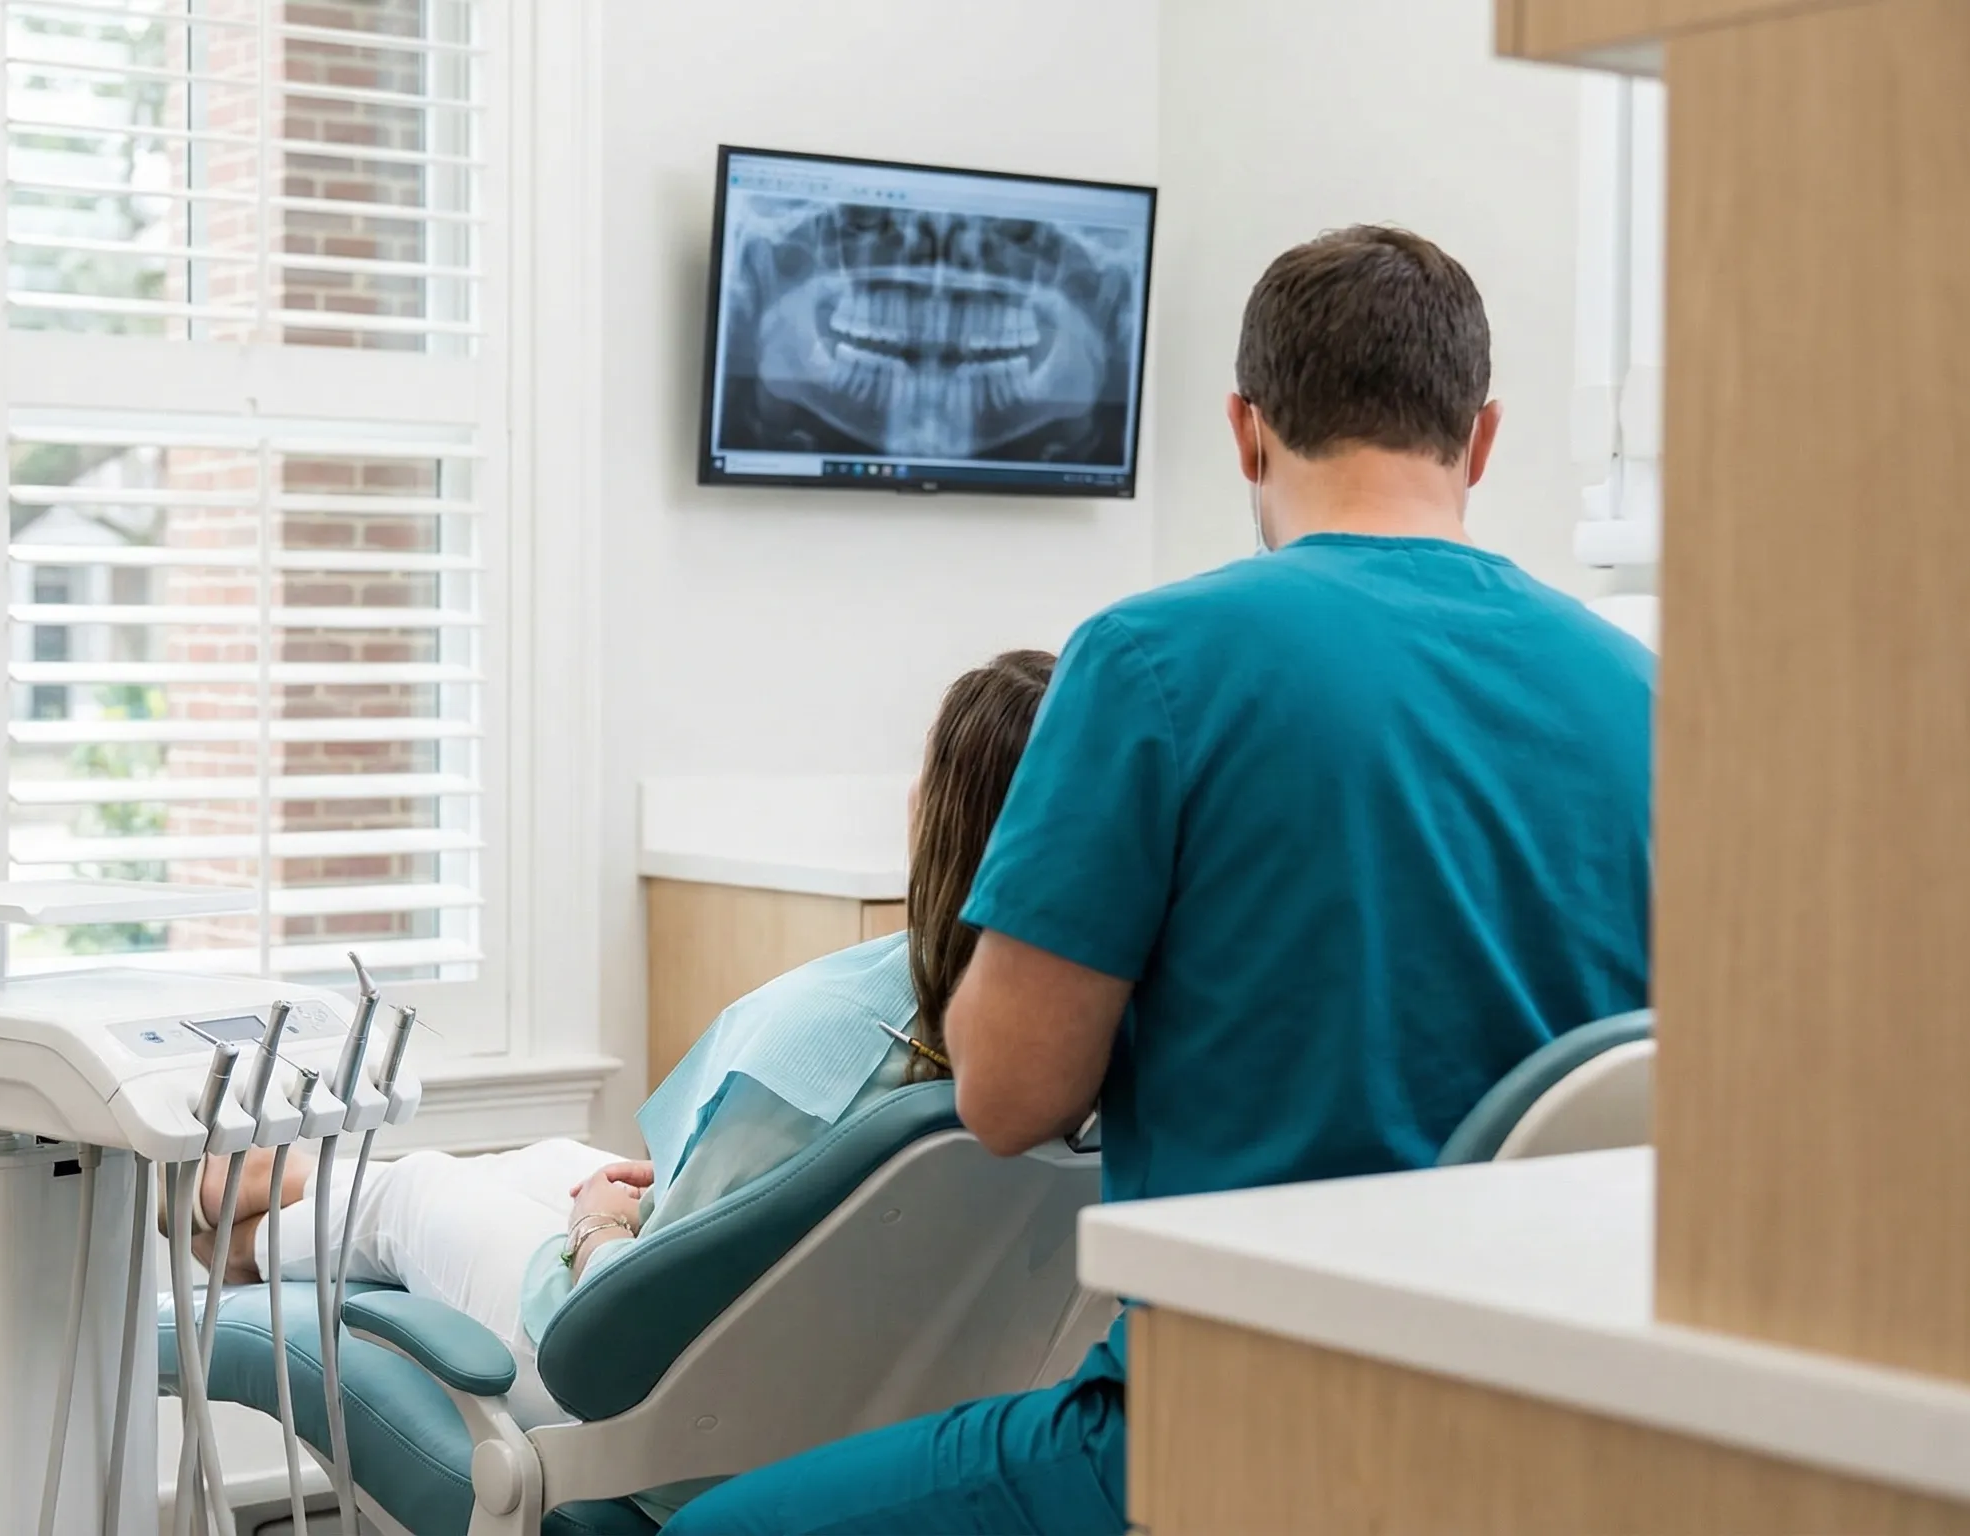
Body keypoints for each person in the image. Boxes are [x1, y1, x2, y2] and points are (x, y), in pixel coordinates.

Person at [662, 226, 1656, 1536]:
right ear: (1482, 439)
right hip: (1554, 1440)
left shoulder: (1149, 663)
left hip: (1228, 1429)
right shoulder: (1645, 696)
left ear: (1246, 430)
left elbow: (1009, 1098)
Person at [184, 652, 1056, 1459]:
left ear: (942, 809)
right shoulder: (1082, 1051)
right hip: (867, 1378)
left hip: (651, 1401)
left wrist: (599, 1228)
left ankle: (229, 1230)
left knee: (416, 1195)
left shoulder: (831, 1044)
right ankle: (271, 1194)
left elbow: (639, 1323)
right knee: (548, 1160)